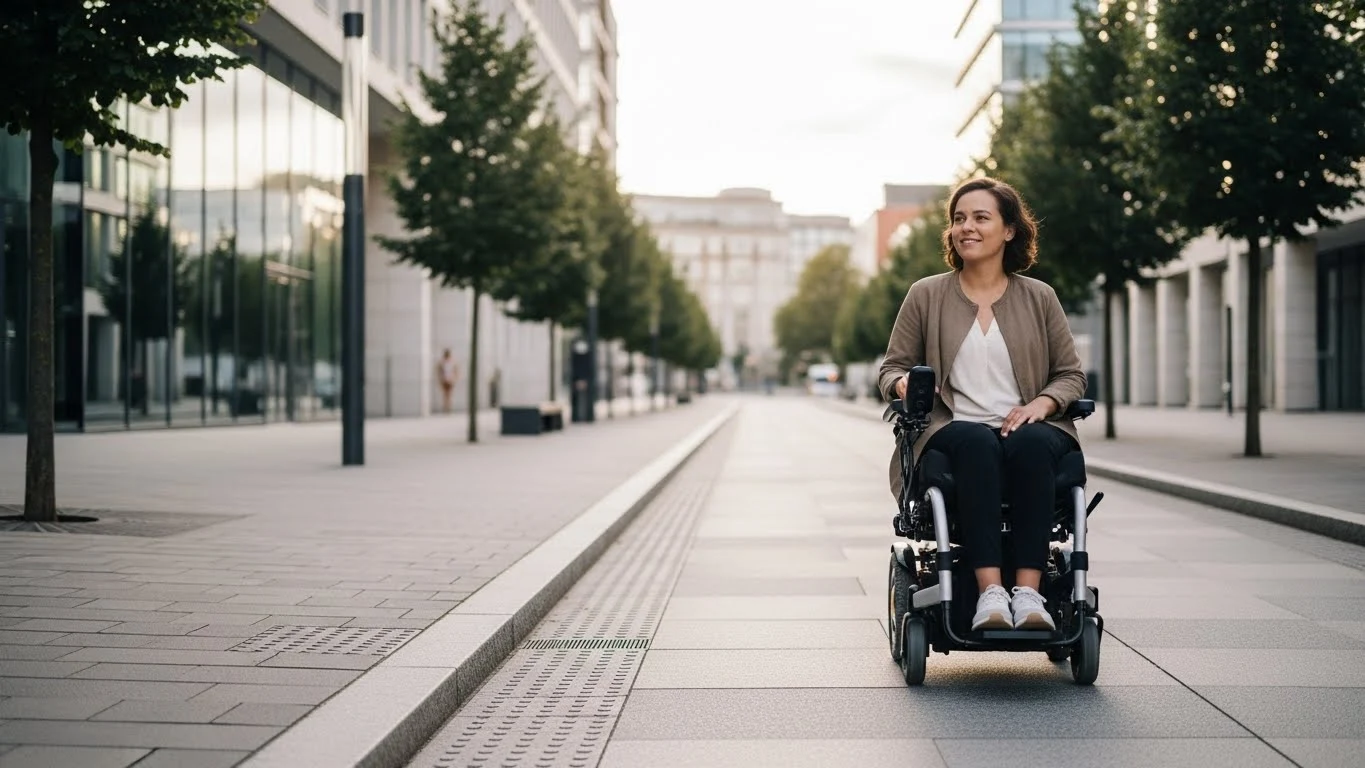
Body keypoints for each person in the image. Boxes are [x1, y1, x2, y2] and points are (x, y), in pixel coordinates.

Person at [878, 177, 1086, 633]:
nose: (965, 227)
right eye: (958, 219)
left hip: (1028, 428)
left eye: (980, 217)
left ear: (1009, 230)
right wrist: (903, 385)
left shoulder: (1040, 297)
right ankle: (990, 592)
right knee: (976, 441)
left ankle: (1028, 594)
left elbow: (1071, 374)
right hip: (953, 429)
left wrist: (1043, 403)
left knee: (1031, 443)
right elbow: (891, 368)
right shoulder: (926, 294)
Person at [437, 349, 459, 414]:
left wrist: (455, 378)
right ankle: (446, 408)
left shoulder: (452, 362)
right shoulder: (442, 363)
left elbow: (455, 370)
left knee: (449, 394)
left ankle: (448, 408)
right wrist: (440, 379)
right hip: (445, 379)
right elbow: (439, 371)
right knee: (445, 394)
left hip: (450, 379)